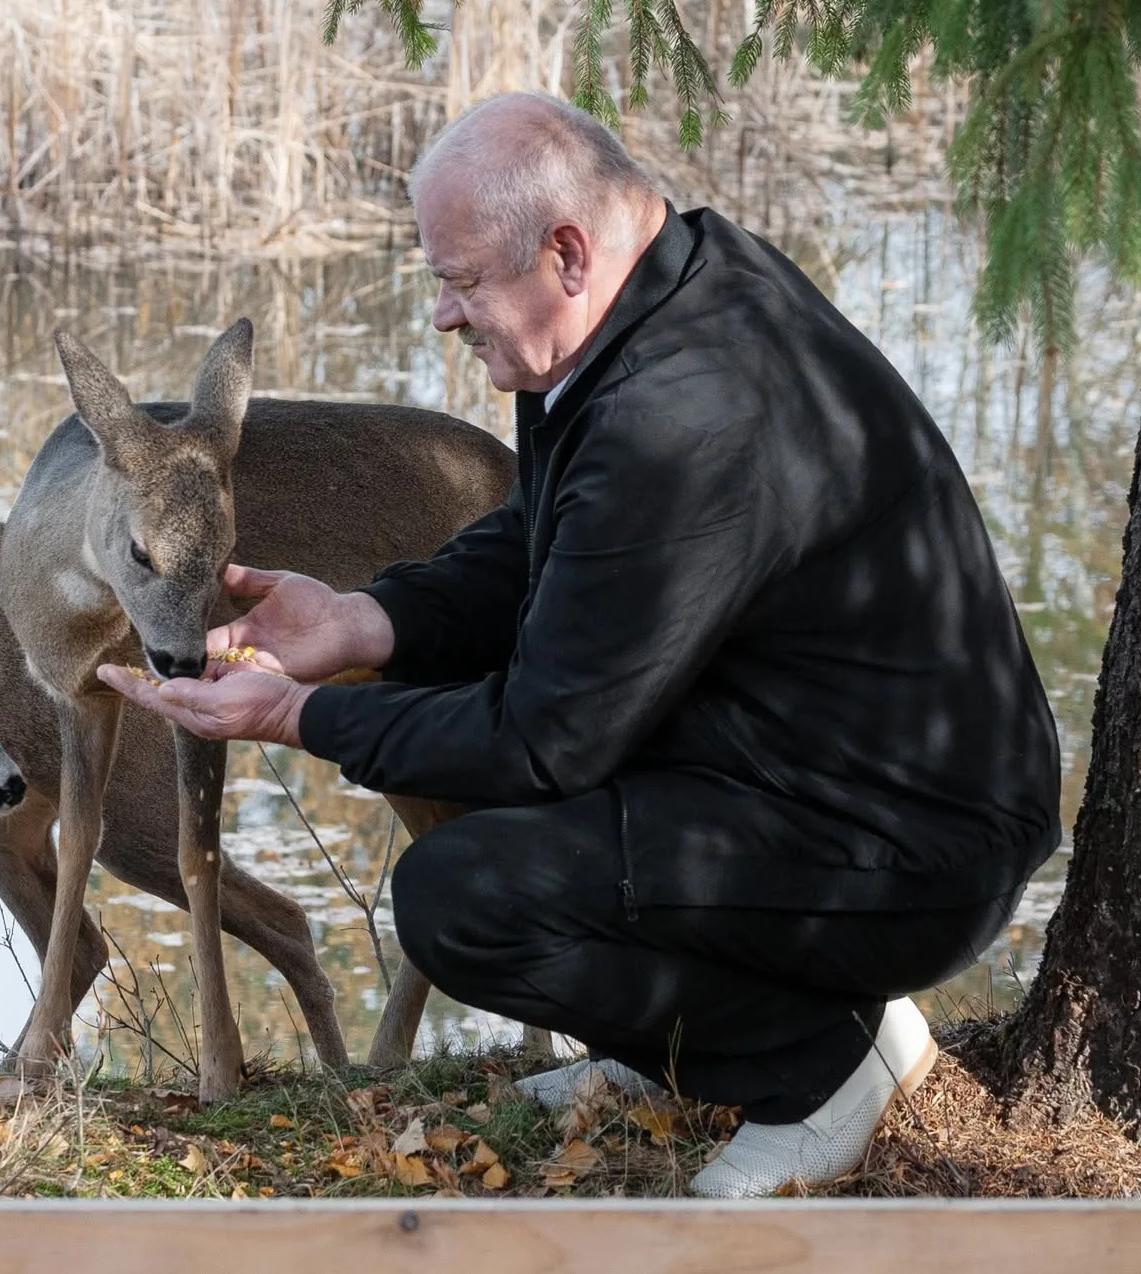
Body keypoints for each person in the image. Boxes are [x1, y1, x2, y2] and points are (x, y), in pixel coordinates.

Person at [102, 92, 1061, 1197]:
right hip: (812, 765)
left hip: (908, 845)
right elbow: (545, 534)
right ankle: (695, 1042)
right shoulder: (661, 293)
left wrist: (298, 715)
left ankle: (817, 1067)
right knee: (466, 727)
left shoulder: (682, 414)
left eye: (459, 282)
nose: (443, 320)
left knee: (464, 899)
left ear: (565, 250)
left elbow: (544, 739)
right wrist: (371, 618)